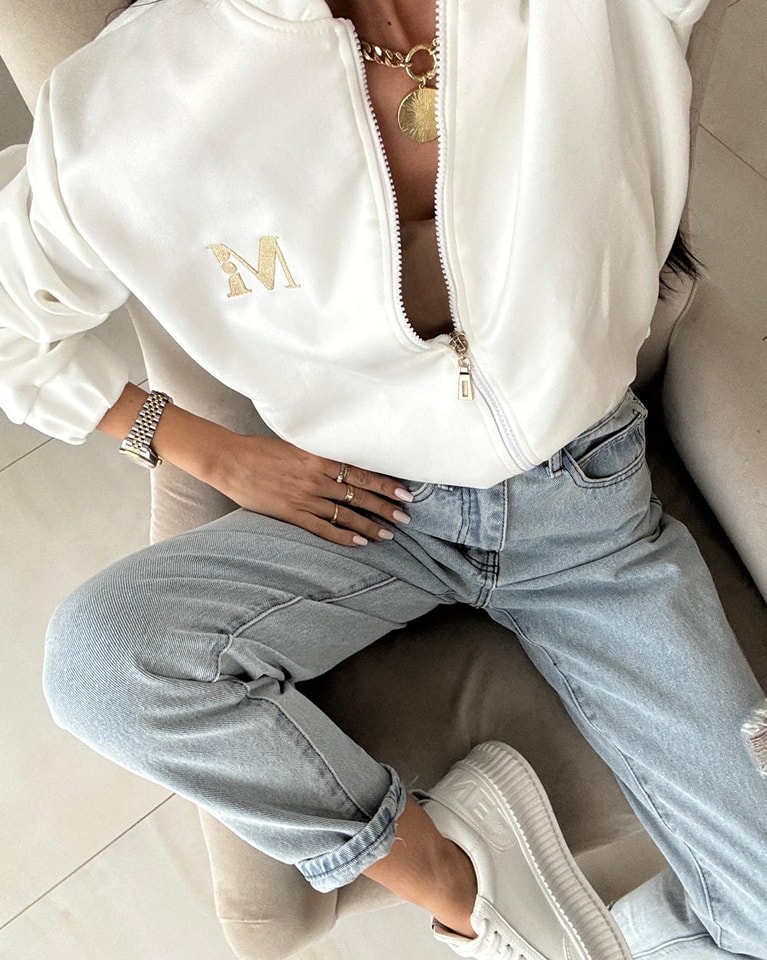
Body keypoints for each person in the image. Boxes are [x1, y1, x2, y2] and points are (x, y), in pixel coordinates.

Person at [1, 0, 765, 958]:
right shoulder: (135, 91)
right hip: (366, 507)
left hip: (585, 508)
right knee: (101, 663)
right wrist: (206, 449)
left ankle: (615, 939)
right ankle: (460, 881)